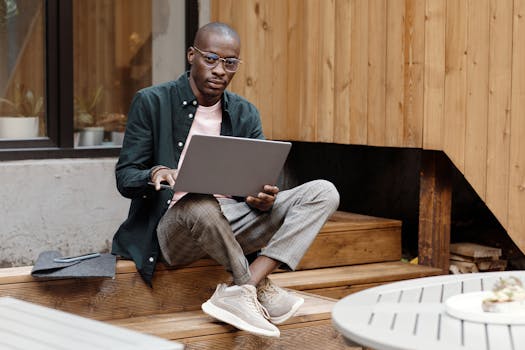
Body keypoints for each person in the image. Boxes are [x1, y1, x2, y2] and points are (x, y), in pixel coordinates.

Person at [112, 22, 339, 338]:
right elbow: (125, 177)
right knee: (199, 200)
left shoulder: (245, 113)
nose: (220, 70)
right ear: (192, 55)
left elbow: (258, 185)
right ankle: (255, 287)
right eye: (211, 59)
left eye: (230, 63)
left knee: (323, 192)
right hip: (174, 230)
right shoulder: (152, 102)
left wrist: (261, 198)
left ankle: (242, 289)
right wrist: (155, 173)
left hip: (230, 223)